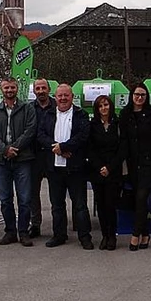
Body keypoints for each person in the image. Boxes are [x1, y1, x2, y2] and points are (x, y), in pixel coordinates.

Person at [37, 83, 92, 249]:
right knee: (57, 205)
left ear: (72, 97)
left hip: (75, 168)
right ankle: (59, 235)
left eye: (66, 95)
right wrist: (57, 148)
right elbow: (40, 135)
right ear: (55, 97)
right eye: (60, 96)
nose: (62, 98)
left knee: (80, 205)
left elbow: (83, 136)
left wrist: (65, 147)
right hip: (54, 168)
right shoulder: (48, 114)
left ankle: (85, 237)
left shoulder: (80, 114)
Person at [0, 76, 37, 246]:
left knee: (25, 198)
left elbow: (30, 130)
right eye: (6, 88)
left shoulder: (27, 109)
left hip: (23, 159)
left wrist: (15, 148)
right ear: (2, 90)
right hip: (1, 161)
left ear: (17, 89)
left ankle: (23, 232)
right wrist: (5, 149)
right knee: (5, 198)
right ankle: (10, 232)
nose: (9, 91)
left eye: (12, 88)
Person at [119, 83, 151, 252]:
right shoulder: (125, 114)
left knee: (141, 197)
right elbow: (123, 140)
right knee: (139, 201)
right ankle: (145, 234)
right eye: (137, 94)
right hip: (131, 164)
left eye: (143, 95)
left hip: (149, 163)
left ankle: (135, 234)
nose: (139, 98)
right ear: (132, 96)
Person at [87, 94, 123, 251]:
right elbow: (90, 148)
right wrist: (100, 167)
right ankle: (104, 236)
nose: (104, 108)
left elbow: (122, 149)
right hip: (97, 171)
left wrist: (110, 167)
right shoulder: (92, 125)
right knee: (100, 205)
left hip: (113, 171)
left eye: (106, 105)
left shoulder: (118, 123)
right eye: (100, 106)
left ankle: (112, 236)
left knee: (111, 205)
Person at [28, 78, 55, 239]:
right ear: (34, 91)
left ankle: (58, 226)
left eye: (43, 88)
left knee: (56, 192)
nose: (40, 91)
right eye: (37, 88)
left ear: (49, 89)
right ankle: (35, 224)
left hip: (53, 153)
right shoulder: (29, 108)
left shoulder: (57, 106)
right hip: (34, 155)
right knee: (32, 193)